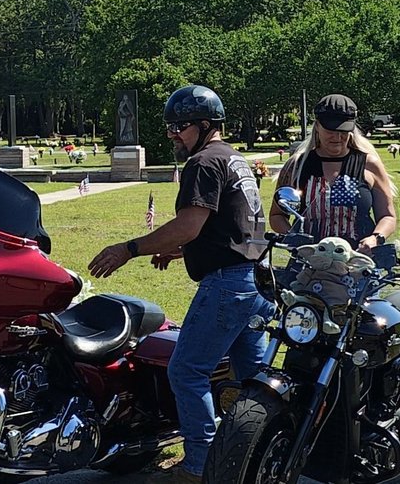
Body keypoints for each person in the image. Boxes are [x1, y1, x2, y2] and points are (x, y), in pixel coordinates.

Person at [88, 85, 274, 483]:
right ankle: (252, 459)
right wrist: (184, 252)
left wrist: (129, 248)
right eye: (170, 125)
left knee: (186, 371)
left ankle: (199, 466)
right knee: (252, 384)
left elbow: (190, 224)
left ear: (207, 125)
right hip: (257, 284)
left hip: (227, 286)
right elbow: (233, 230)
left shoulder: (204, 162)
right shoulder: (234, 159)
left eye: (181, 126)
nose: (173, 133)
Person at [270, 94, 396, 252]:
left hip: (358, 261)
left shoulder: (369, 164)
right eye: (330, 130)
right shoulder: (297, 165)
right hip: (309, 261)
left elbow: (388, 216)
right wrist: (294, 238)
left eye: (343, 131)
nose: (337, 137)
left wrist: (375, 238)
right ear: (317, 126)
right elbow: (277, 215)